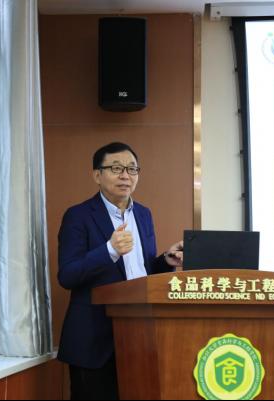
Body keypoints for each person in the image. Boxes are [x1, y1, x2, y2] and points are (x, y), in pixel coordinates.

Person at [57, 142, 184, 400]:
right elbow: (67, 275)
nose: (125, 175)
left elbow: (139, 270)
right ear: (97, 175)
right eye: (116, 168)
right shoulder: (78, 215)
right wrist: (109, 250)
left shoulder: (144, 215)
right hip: (94, 340)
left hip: (139, 337)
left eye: (132, 169)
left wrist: (165, 261)